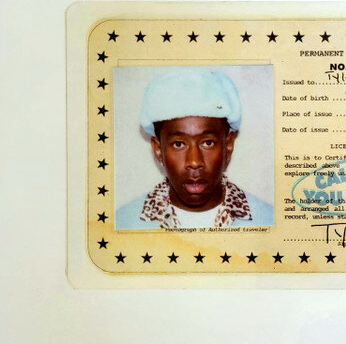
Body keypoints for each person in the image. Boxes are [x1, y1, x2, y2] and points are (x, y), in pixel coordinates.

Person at [116, 67, 274, 229]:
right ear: (158, 149)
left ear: (228, 145)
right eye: (178, 144)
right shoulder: (123, 224)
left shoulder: (269, 221)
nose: (194, 161)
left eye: (208, 143)